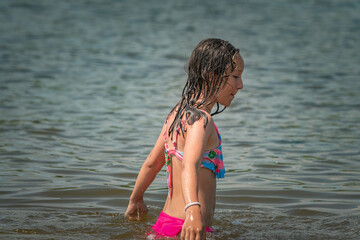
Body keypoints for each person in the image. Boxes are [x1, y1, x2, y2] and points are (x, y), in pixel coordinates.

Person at [124, 38, 244, 239]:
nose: (240, 85)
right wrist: (193, 212)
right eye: (235, 76)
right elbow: (190, 165)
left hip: (164, 224)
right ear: (212, 76)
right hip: (189, 228)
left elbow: (152, 163)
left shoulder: (176, 114)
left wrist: (136, 198)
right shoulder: (202, 120)